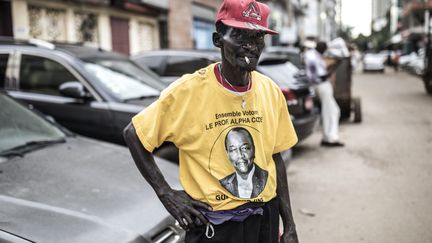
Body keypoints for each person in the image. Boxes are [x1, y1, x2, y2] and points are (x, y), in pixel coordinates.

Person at [123, 0, 299, 242]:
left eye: (258, 37)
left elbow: (275, 158)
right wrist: (166, 193)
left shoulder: (269, 90)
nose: (251, 46)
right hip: (215, 226)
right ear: (218, 40)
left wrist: (289, 223)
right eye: (240, 35)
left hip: (264, 218)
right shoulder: (188, 91)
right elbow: (134, 134)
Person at [304, 40, 344, 147]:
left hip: (318, 85)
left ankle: (328, 136)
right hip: (321, 85)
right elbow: (322, 75)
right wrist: (334, 67)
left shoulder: (311, 54)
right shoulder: (314, 57)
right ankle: (330, 138)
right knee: (330, 112)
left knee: (333, 111)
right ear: (322, 49)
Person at [220, 127, 268, 199]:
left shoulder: (266, 177)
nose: (240, 155)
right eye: (233, 150)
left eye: (245, 148)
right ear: (228, 154)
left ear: (253, 149)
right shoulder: (224, 183)